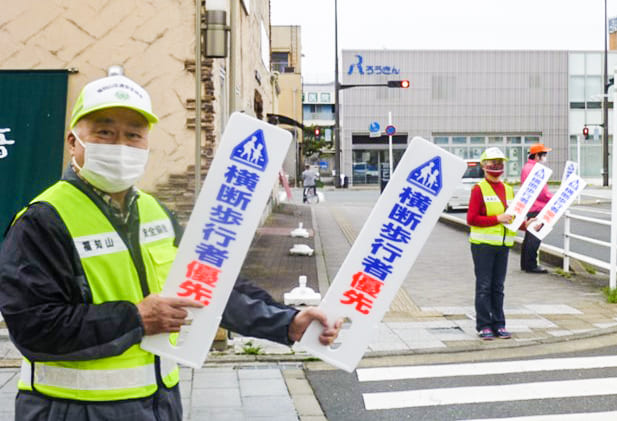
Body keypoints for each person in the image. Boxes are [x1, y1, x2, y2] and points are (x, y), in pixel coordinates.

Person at [0, 73, 340, 420]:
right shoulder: (42, 220)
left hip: (157, 406)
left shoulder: (153, 211)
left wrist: (287, 322)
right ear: (74, 142)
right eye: (105, 132)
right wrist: (135, 319)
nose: (121, 145)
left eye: (134, 134)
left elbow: (207, 286)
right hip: (70, 411)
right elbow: (34, 328)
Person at [467, 147, 515, 340]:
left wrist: (528, 224)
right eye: (492, 162)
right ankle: (484, 325)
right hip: (483, 245)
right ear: (484, 165)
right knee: (484, 286)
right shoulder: (479, 189)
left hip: (503, 245)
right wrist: (498, 218)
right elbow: (471, 219)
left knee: (498, 287)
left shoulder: (509, 189)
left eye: (500, 162)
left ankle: (499, 324)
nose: (496, 165)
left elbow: (513, 217)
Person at [520, 143, 553, 274]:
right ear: (537, 155)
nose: (545, 157)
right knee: (535, 237)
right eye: (543, 154)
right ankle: (531, 265)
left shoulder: (526, 167)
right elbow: (543, 192)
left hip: (530, 206)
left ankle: (525, 264)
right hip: (538, 206)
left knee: (529, 237)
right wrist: (552, 198)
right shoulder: (536, 169)